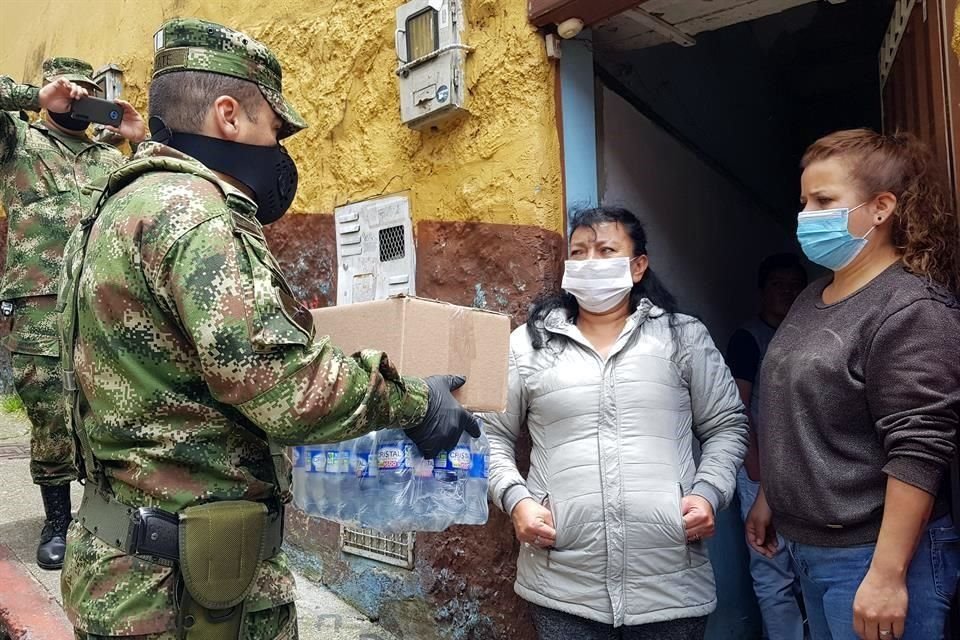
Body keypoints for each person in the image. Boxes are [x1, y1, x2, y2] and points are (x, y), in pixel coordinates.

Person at [57, 19, 479, 640]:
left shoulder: (109, 208)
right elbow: (279, 383)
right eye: (274, 128)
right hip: (191, 593)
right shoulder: (199, 218)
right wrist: (416, 405)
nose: (280, 151)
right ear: (228, 116)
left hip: (117, 569)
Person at [483, 206, 749, 640]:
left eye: (606, 250)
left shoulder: (684, 337)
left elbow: (727, 425)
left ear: (638, 265)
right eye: (579, 252)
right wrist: (517, 502)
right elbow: (490, 434)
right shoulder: (527, 346)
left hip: (670, 582)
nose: (591, 263)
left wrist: (708, 493)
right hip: (562, 581)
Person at [746, 129, 960, 640]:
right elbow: (796, 408)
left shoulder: (911, 309)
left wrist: (887, 575)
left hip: (873, 558)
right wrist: (771, 496)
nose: (806, 216)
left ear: (881, 207)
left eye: (824, 201)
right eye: (803, 202)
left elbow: (920, 448)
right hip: (811, 549)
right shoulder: (813, 296)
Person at [0, 57, 145, 570]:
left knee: (114, 408)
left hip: (104, 305)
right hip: (39, 307)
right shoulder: (19, 143)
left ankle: (102, 515)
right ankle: (57, 520)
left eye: (89, 92)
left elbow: (157, 196)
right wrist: (33, 99)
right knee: (51, 418)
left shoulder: (110, 158)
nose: (81, 100)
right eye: (71, 92)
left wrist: (138, 140)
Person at [726, 253, 807, 640]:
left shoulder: (810, 335)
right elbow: (739, 409)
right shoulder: (748, 338)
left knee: (809, 568)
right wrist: (758, 473)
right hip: (762, 472)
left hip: (807, 474)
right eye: (778, 285)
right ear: (761, 292)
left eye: (794, 287)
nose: (786, 293)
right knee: (773, 571)